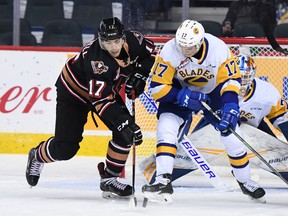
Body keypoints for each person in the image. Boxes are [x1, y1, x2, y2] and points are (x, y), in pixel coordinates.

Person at [25, 17, 156, 199]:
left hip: (102, 92)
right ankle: (37, 155)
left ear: (123, 37)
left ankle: (109, 179)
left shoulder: (134, 39)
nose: (114, 47)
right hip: (73, 94)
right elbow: (101, 101)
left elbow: (153, 54)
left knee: (126, 132)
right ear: (101, 40)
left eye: (117, 41)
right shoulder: (97, 61)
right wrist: (122, 122)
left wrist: (141, 74)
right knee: (65, 149)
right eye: (108, 42)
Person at [141, 20, 266, 203]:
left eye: (189, 47)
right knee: (166, 126)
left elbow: (231, 80)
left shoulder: (219, 49)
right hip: (179, 90)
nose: (184, 50)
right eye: (181, 45)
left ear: (200, 42)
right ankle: (163, 180)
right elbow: (157, 88)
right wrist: (181, 96)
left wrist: (230, 105)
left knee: (231, 133)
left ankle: (246, 181)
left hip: (212, 91)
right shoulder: (169, 50)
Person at [140, 53, 288, 184]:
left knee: (278, 155)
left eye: (246, 77)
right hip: (216, 127)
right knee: (194, 150)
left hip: (254, 130)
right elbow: (189, 108)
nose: (242, 82)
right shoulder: (216, 86)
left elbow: (282, 120)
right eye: (239, 77)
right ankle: (158, 172)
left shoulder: (266, 93)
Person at [222, 0, 288, 54]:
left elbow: (270, 26)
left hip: (258, 41)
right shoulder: (236, 5)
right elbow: (228, 20)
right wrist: (227, 26)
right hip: (237, 40)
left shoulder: (266, 6)